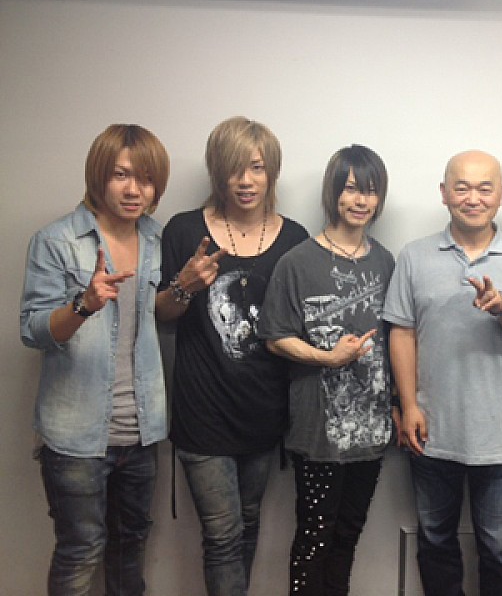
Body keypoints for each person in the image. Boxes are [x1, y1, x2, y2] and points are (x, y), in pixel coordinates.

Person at [383, 150, 502, 596]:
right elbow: (402, 334)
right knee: (436, 542)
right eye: (462, 187)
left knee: (500, 551)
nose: (472, 198)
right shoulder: (414, 256)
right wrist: (408, 404)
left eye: (484, 188)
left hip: (501, 436)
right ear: (444, 193)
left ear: (500, 195)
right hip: (430, 431)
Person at [156, 116, 308, 595]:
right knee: (222, 536)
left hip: (263, 410)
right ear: (217, 172)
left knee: (247, 523)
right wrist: (184, 286)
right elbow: (162, 315)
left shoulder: (294, 239)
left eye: (256, 168)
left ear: (271, 171)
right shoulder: (184, 230)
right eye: (234, 169)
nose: (245, 181)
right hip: (203, 410)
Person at [20, 124, 170, 595]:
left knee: (130, 549)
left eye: (146, 178)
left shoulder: (156, 237)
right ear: (98, 175)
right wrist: (83, 305)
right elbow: (33, 331)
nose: (134, 189)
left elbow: (154, 315)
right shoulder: (57, 240)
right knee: (81, 552)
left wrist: (184, 287)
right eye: (121, 175)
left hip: (141, 431)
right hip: (76, 435)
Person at [259, 144, 394, 595]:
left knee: (348, 534)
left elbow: (397, 340)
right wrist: (327, 358)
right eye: (351, 189)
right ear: (333, 192)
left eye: (369, 191)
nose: (360, 200)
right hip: (318, 431)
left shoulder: (385, 261)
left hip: (371, 430)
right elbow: (275, 336)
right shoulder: (297, 261)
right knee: (315, 535)